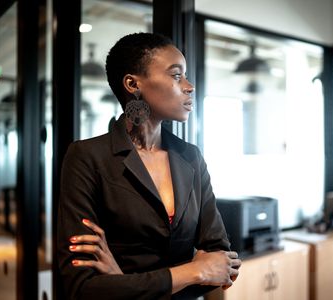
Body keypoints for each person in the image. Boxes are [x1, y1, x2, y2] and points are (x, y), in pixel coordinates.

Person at [57, 32, 241, 300]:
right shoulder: (87, 157)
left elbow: (224, 266)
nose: (189, 86)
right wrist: (194, 272)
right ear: (133, 84)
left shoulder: (191, 157)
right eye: (177, 75)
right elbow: (82, 288)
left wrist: (122, 282)